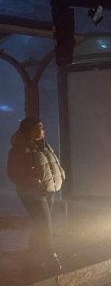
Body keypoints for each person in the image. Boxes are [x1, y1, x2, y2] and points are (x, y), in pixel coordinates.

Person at [6, 116, 65, 272]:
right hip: (32, 193)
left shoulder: (44, 146)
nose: (43, 129)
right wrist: (28, 180)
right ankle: (51, 257)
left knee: (39, 224)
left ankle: (31, 259)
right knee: (45, 225)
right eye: (40, 127)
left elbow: (53, 162)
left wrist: (61, 173)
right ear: (30, 131)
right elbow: (13, 173)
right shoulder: (18, 149)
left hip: (48, 190)